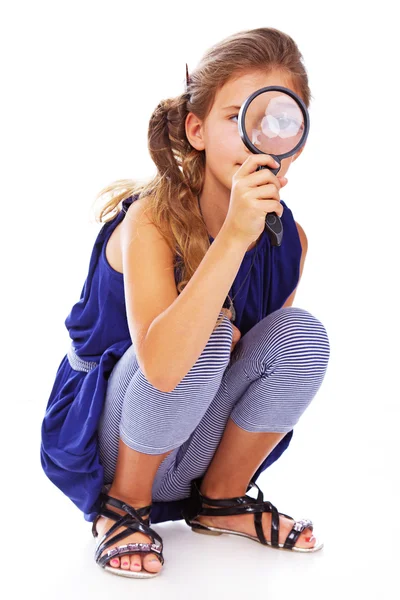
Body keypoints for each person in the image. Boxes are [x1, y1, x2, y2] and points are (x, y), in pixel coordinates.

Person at [40, 26, 330, 579]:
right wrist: (233, 239)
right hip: (104, 444)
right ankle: (125, 506)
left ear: (297, 137)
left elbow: (255, 362)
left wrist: (251, 239)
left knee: (302, 333)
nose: (257, 138)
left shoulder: (290, 240)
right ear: (195, 129)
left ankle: (221, 500)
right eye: (235, 118)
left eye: (279, 121)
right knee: (205, 333)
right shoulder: (148, 220)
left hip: (189, 444)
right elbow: (165, 364)